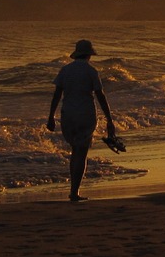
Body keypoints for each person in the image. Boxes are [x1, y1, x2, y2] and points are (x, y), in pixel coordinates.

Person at [46, 39, 116, 201]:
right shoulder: (91, 71)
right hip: (85, 114)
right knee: (81, 152)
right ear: (89, 55)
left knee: (74, 151)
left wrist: (51, 116)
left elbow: (57, 94)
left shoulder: (65, 70)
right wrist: (109, 119)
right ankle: (74, 192)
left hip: (68, 114)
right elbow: (100, 96)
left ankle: (73, 190)